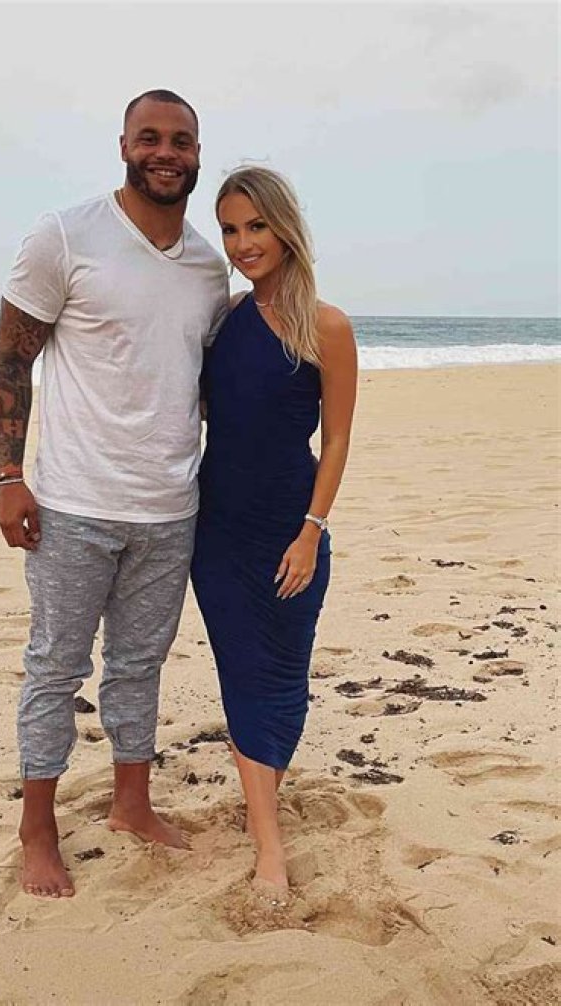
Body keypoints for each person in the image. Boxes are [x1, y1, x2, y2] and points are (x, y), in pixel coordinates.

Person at [0, 89, 228, 899]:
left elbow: (196, 384)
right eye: (150, 137)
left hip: (170, 508)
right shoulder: (65, 235)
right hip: (73, 504)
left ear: (198, 154)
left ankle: (132, 805)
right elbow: (11, 359)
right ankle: (37, 828)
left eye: (181, 141)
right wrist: (9, 476)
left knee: (138, 666)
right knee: (55, 667)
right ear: (124, 145)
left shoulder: (208, 266)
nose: (166, 152)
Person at [191, 166, 357, 901]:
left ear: (285, 228)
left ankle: (261, 801)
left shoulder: (327, 326)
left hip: (292, 529)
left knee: (284, 680)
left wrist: (311, 531)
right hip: (218, 532)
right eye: (230, 229)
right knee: (241, 676)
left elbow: (338, 439)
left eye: (256, 226)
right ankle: (269, 845)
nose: (242, 243)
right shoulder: (222, 321)